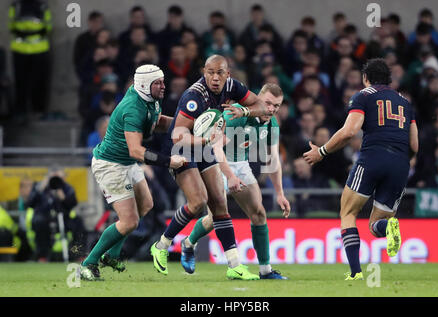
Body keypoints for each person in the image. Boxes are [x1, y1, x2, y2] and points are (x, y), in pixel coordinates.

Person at [151, 54, 269, 280]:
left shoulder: (233, 87)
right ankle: (161, 245)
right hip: (182, 149)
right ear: (204, 72)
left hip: (205, 146)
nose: (215, 78)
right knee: (197, 203)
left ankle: (234, 265)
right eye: (210, 72)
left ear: (228, 74)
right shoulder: (193, 96)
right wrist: (208, 140)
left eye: (220, 73)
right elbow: (178, 135)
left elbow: (261, 106)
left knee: (219, 204)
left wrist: (244, 111)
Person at [303, 58, 419, 280]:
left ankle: (356, 273)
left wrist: (322, 152)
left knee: (348, 213)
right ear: (389, 79)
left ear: (366, 79)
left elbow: (349, 131)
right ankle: (389, 227)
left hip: (372, 158)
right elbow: (414, 145)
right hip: (400, 164)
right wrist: (402, 161)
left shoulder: (363, 96)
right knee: (376, 226)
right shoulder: (406, 102)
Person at [78, 64, 186, 281]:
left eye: (163, 81)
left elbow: (157, 122)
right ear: (146, 85)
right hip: (111, 165)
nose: (163, 86)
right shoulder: (133, 107)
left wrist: (184, 125)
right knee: (129, 222)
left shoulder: (149, 98)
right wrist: (169, 161)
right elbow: (136, 150)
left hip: (125, 162)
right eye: (158, 83)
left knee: (146, 205)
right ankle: (88, 263)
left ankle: (112, 254)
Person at [179, 83, 291, 279]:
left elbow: (273, 160)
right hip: (214, 163)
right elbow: (215, 147)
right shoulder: (235, 115)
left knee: (258, 213)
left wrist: (280, 193)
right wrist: (230, 175)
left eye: (277, 106)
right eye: (267, 103)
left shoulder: (272, 125)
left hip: (241, 163)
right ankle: (188, 243)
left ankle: (265, 270)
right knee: (216, 218)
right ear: (257, 99)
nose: (271, 109)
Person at [27, 166, 83, 262]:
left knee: (78, 223)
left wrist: (63, 197)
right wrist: (40, 189)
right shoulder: (39, 187)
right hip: (44, 217)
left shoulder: (67, 188)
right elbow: (30, 203)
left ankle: (76, 254)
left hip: (63, 217)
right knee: (39, 222)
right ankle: (42, 256)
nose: (55, 181)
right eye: (53, 178)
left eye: (58, 178)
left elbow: (73, 203)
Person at [9, 0, 52, 122]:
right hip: (21, 48)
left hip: (39, 48)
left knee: (38, 82)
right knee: (20, 83)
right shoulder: (16, 6)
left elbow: (48, 26)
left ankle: (37, 110)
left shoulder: (42, 6)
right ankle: (21, 111)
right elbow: (11, 25)